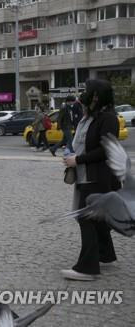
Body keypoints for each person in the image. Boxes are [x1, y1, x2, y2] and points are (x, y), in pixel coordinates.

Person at [62, 79, 120, 281]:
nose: (82, 94)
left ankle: (87, 268)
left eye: (86, 91)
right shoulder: (90, 115)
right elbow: (83, 142)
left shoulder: (108, 118)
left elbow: (105, 150)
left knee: (85, 217)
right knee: (95, 218)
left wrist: (77, 159)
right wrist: (71, 155)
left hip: (96, 177)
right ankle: (105, 253)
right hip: (84, 175)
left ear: (96, 95)